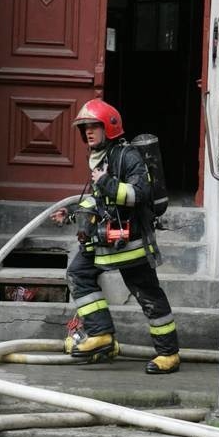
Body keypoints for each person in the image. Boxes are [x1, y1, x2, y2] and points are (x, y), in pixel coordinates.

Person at [52, 98, 180, 374]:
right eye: (84, 127)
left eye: (94, 126)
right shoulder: (99, 158)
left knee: (147, 294)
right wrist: (72, 215)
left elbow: (139, 194)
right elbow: (98, 204)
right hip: (104, 241)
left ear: (108, 127)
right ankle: (101, 335)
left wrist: (107, 182)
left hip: (130, 243)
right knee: (78, 275)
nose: (88, 131)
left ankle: (168, 354)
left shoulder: (127, 156)